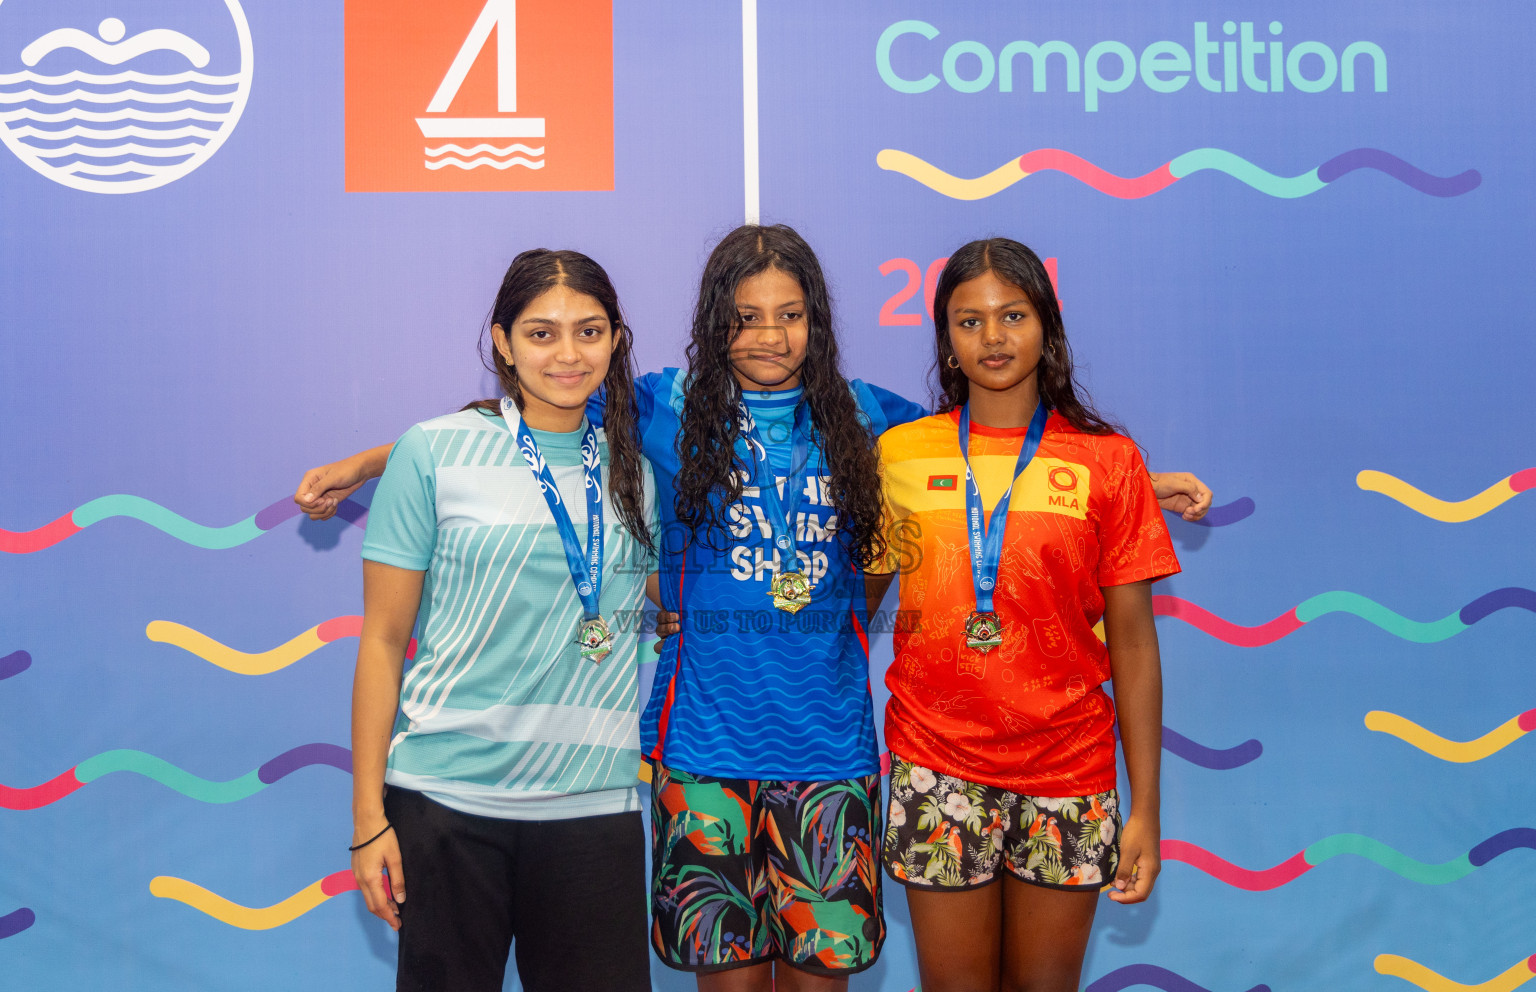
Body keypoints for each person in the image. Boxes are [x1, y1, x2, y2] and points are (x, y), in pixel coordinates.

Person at [300, 225, 1211, 992]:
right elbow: (529, 421)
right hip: (703, 760)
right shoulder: (666, 407)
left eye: (790, 315)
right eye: (744, 319)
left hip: (831, 759)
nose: (769, 336)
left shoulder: (867, 417)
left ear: (818, 321)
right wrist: (368, 463)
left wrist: (1140, 480)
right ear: (713, 324)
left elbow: (987, 448)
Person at [866, 238, 1179, 992]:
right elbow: (853, 603)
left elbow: (1134, 647)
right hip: (936, 766)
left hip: (1068, 773)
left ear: (1047, 327)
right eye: (969, 321)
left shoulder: (1109, 462)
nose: (994, 337)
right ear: (945, 338)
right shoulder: (900, 453)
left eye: (1013, 315)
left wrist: (1146, 812)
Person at [348, 249, 657, 992]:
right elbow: (384, 642)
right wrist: (368, 818)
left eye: (588, 332)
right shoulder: (433, 452)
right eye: (541, 333)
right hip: (448, 806)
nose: (567, 354)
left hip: (594, 805)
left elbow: (657, 606)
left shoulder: (635, 473)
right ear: (502, 341)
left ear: (616, 339)